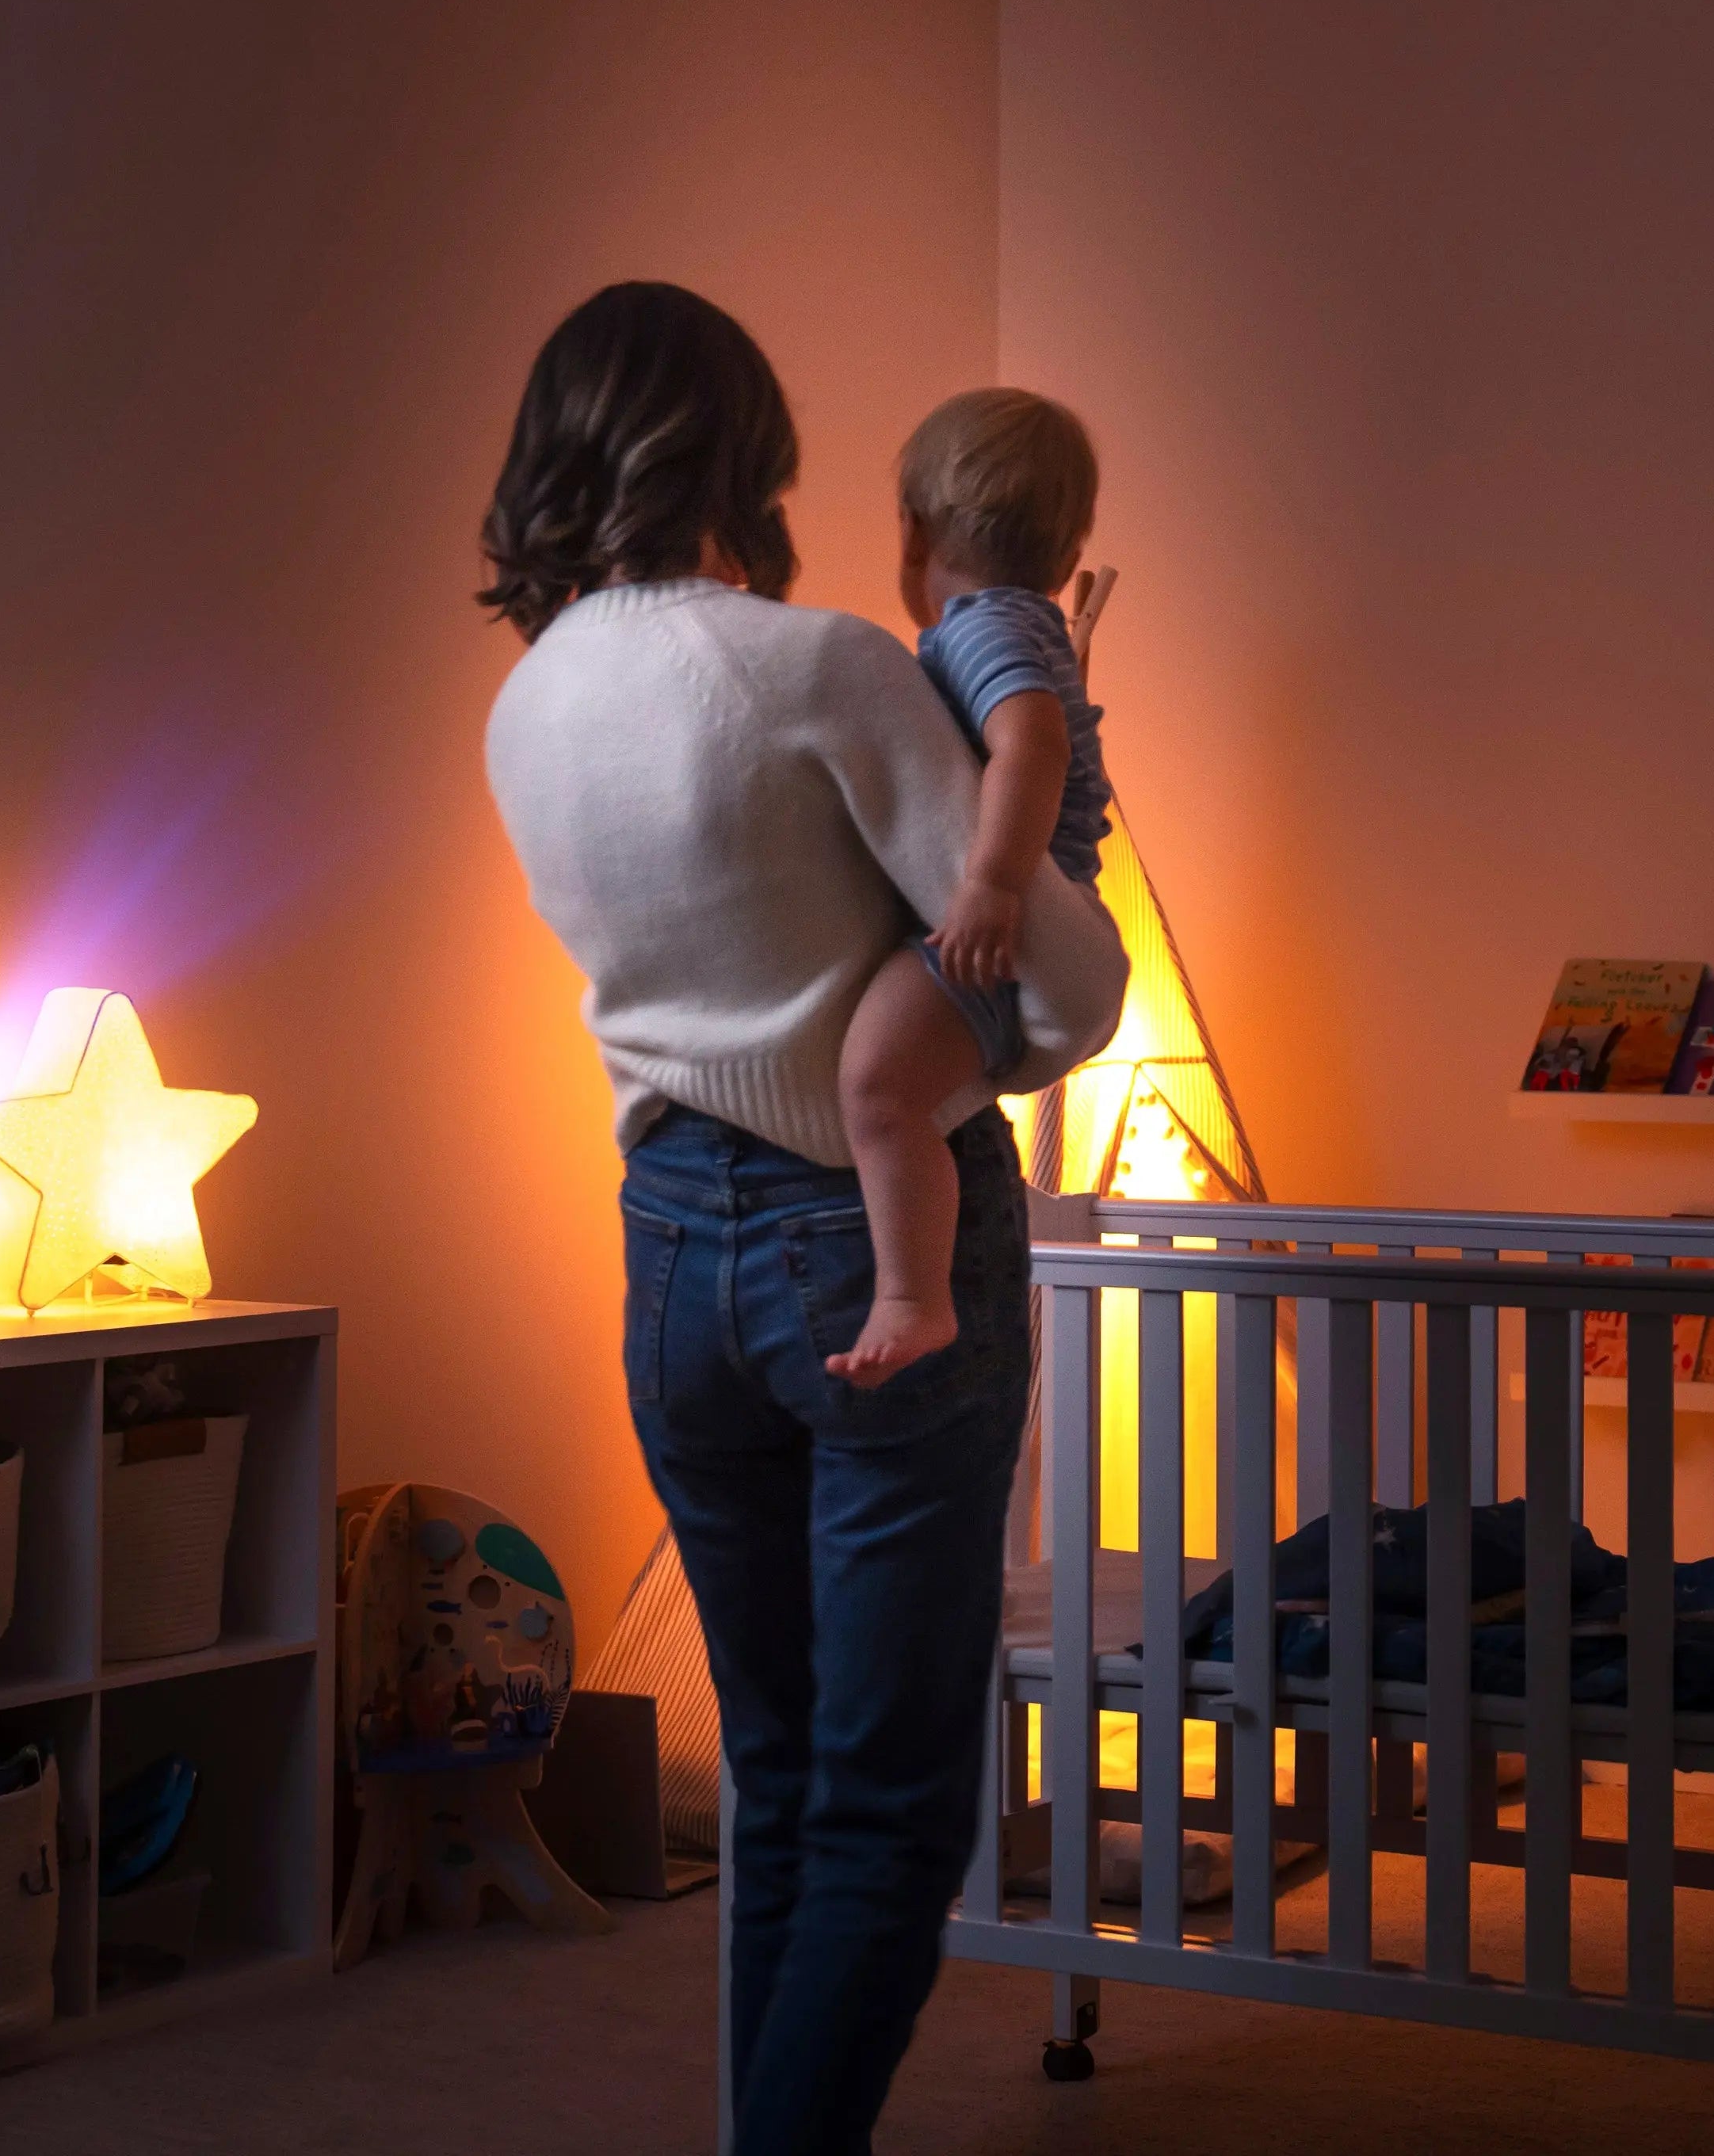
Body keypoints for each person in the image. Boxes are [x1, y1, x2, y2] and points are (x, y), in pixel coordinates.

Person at [475, 282, 1126, 2156]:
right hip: (870, 1241)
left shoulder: (525, 706)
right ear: (737, 450)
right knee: (891, 1799)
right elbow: (1069, 989)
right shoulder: (815, 663)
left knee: (773, 1771)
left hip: (670, 1243)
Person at [828, 388, 1124, 1384]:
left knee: (874, 1085)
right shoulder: (1019, 620)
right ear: (1067, 542)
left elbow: (1028, 739)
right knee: (893, 1081)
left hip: (1010, 930)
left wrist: (996, 884)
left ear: (913, 533)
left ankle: (912, 1298)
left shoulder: (980, 628)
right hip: (1011, 924)